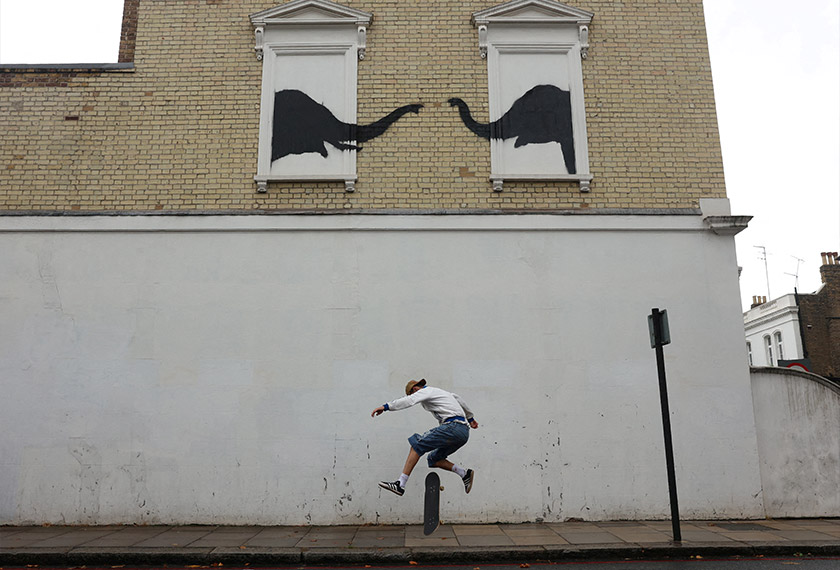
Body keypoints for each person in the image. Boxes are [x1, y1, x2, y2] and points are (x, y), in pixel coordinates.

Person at [371, 378, 478, 496]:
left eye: (413, 394)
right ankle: (464, 474)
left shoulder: (425, 391)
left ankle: (400, 484)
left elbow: (409, 401)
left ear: (415, 389)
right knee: (434, 459)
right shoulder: (442, 393)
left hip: (453, 427)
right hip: (464, 433)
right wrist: (470, 418)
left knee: (417, 443)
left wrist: (386, 407)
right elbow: (458, 399)